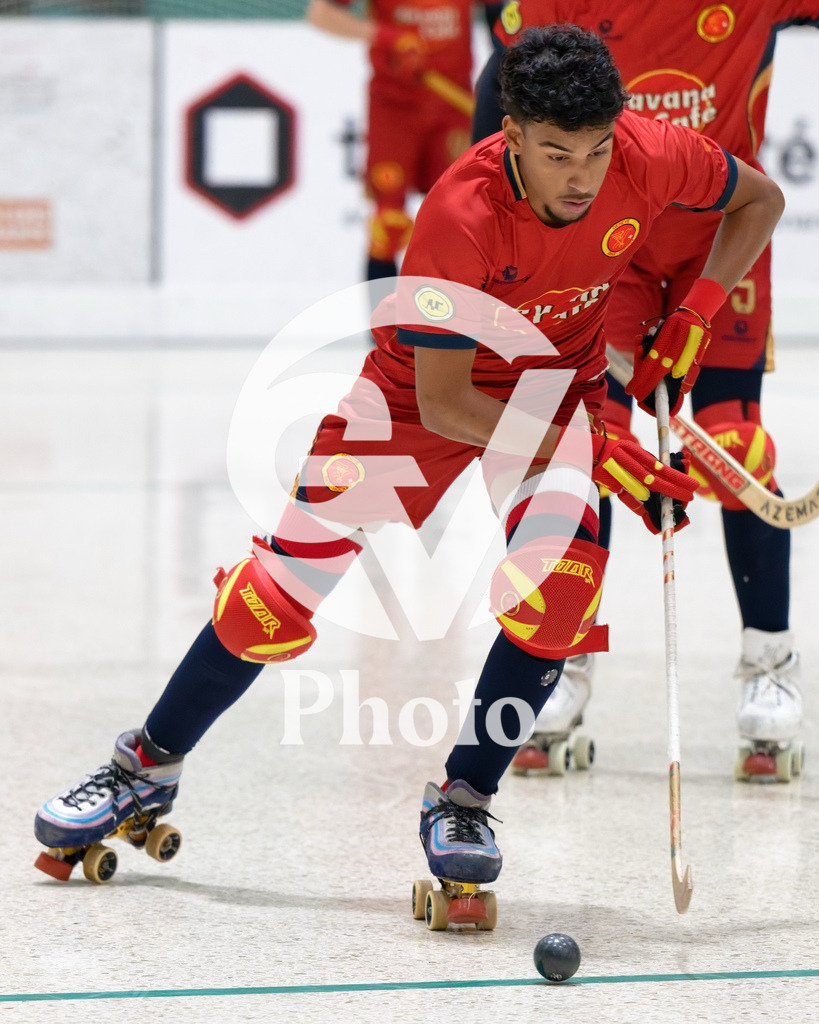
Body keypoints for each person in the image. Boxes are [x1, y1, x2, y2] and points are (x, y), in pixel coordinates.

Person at [34, 26, 782, 898]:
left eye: (594, 151)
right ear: (508, 133)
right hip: (412, 399)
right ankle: (145, 765)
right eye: (555, 155)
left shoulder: (648, 153)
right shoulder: (457, 216)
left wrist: (690, 314)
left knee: (563, 589)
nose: (580, 178)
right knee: (270, 601)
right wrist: (593, 442)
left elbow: (756, 201)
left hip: (552, 389)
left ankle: (464, 796)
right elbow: (449, 406)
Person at [475, 2, 819, 776]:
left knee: (736, 444)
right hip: (605, 242)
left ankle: (769, 665)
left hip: (725, 234)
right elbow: (498, 95)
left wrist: (698, 307)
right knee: (589, 446)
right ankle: (559, 664)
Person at [306, 0, 499, 282]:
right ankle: (383, 326)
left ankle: (450, 324)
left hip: (453, 106)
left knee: (458, 222)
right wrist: (385, 37)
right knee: (387, 225)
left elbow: (501, 22)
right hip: (393, 107)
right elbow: (320, 15)